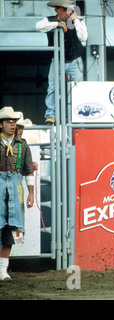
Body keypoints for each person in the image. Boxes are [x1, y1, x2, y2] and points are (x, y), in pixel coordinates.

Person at [36, 0, 88, 125]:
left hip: (74, 60)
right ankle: (51, 114)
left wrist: (75, 20)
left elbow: (83, 37)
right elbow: (38, 27)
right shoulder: (50, 20)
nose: (66, 12)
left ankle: (76, 114)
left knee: (78, 88)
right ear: (56, 10)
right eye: (63, 10)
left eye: (68, 9)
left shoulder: (77, 21)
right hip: (57, 60)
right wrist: (58, 24)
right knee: (53, 88)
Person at [0, 107, 35, 281]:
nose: (12, 125)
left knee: (11, 228)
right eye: (8, 121)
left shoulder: (22, 144)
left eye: (14, 122)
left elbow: (28, 170)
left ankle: (2, 270)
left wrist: (31, 194)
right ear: (1, 125)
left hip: (15, 184)